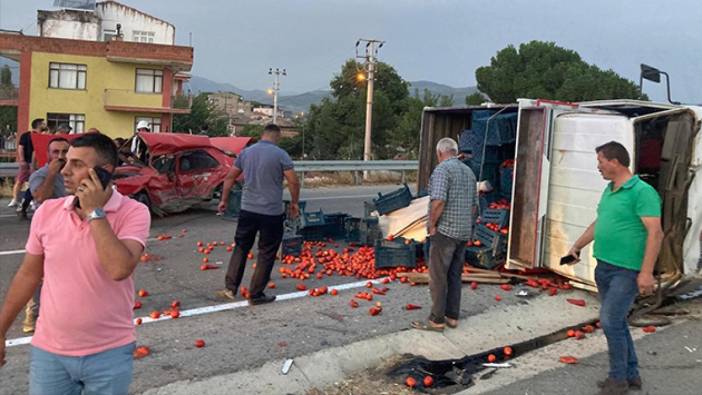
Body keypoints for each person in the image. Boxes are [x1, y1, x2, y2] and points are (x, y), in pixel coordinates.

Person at [0, 133, 151, 393]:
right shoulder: (48, 212)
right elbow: (28, 275)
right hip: (50, 353)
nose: (65, 171)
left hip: (109, 352)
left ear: (104, 172)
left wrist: (94, 212)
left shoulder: (134, 212)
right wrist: (1, 330)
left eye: (77, 164)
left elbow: (119, 269)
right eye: (66, 162)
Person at [566, 141, 663, 395]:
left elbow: (656, 233)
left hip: (627, 270)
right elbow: (600, 223)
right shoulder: (610, 190)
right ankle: (632, 375)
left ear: (615, 161)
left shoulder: (642, 192)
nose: (598, 167)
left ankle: (617, 380)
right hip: (604, 267)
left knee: (609, 321)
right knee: (617, 321)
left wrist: (646, 272)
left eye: (600, 161)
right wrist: (577, 246)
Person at [218, 123, 300, 305]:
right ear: (277, 137)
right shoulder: (281, 154)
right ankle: (255, 294)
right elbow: (293, 182)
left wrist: (223, 200)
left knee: (241, 246)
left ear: (263, 135)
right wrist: (294, 203)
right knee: (267, 251)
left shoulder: (246, 153)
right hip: (271, 212)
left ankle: (230, 288)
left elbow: (230, 177)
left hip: (248, 209)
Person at [411, 137, 477, 332]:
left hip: (445, 232)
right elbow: (474, 206)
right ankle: (452, 316)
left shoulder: (442, 170)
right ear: (455, 152)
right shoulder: (468, 171)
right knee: (455, 275)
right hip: (463, 232)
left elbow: (438, 201)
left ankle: (436, 320)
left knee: (438, 276)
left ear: (440, 153)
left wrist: (432, 225)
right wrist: (465, 224)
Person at [19, 137, 70, 332]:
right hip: (47, 231)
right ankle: (32, 313)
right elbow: (41, 196)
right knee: (39, 274)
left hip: (72, 229)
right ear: (48, 154)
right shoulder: (40, 175)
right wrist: (52, 173)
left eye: (65, 152)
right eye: (56, 152)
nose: (61, 156)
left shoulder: (75, 173)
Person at [8, 118, 45, 208]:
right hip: (26, 162)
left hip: (36, 163)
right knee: (20, 180)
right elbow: (21, 148)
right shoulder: (26, 135)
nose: (45, 125)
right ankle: (15, 199)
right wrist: (22, 160)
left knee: (36, 182)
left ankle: (33, 200)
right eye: (43, 123)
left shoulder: (42, 136)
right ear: (38, 125)